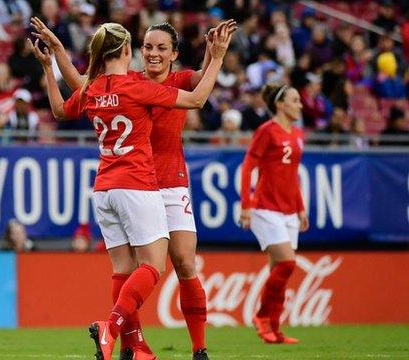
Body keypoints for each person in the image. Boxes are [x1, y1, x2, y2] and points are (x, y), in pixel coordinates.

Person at [31, 17, 235, 360]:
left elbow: (81, 93)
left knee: (184, 263)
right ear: (134, 50)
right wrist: (60, 55)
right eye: (148, 47)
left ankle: (198, 348)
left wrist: (214, 55)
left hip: (168, 184)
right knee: (145, 267)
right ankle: (128, 343)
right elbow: (85, 86)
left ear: (173, 54)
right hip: (140, 184)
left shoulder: (180, 79)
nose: (153, 53)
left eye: (161, 48)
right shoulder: (134, 82)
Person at [239, 83, 309, 345]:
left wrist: (300, 208)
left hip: (289, 210)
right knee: (288, 264)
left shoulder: (298, 133)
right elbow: (248, 167)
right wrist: (245, 204)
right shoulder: (266, 131)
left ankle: (275, 329)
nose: (300, 105)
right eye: (295, 100)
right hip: (265, 209)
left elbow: (293, 176)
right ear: (280, 104)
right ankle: (261, 316)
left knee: (279, 272)